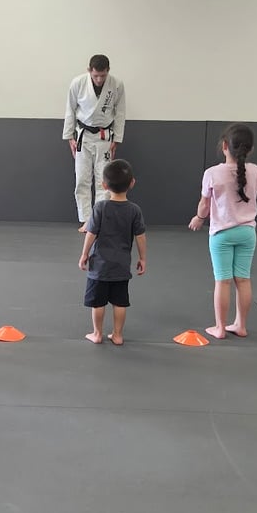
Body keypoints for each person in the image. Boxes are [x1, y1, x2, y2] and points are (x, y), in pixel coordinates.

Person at [189, 124, 257, 339]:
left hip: (222, 233)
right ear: (249, 149)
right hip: (247, 233)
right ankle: (241, 325)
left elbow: (204, 204)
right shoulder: (255, 171)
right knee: (243, 279)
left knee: (223, 281)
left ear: (224, 146)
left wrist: (199, 218)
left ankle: (220, 328)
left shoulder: (212, 173)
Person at [78, 159, 147, 346]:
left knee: (98, 303)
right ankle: (117, 335)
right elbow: (140, 236)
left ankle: (97, 334)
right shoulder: (134, 210)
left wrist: (84, 254)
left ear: (104, 185)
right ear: (132, 183)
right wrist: (143, 258)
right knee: (120, 302)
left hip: (99, 267)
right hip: (121, 266)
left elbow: (91, 233)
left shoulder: (100, 207)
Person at [63, 54, 127, 232]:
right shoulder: (78, 83)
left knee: (104, 180)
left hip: (104, 136)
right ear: (89, 71)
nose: (99, 79)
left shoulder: (116, 85)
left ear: (108, 71)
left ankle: (98, 219)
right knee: (82, 179)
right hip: (83, 136)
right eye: (96, 75)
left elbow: (120, 113)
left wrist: (117, 139)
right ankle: (86, 220)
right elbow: (70, 110)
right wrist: (70, 137)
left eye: (103, 75)